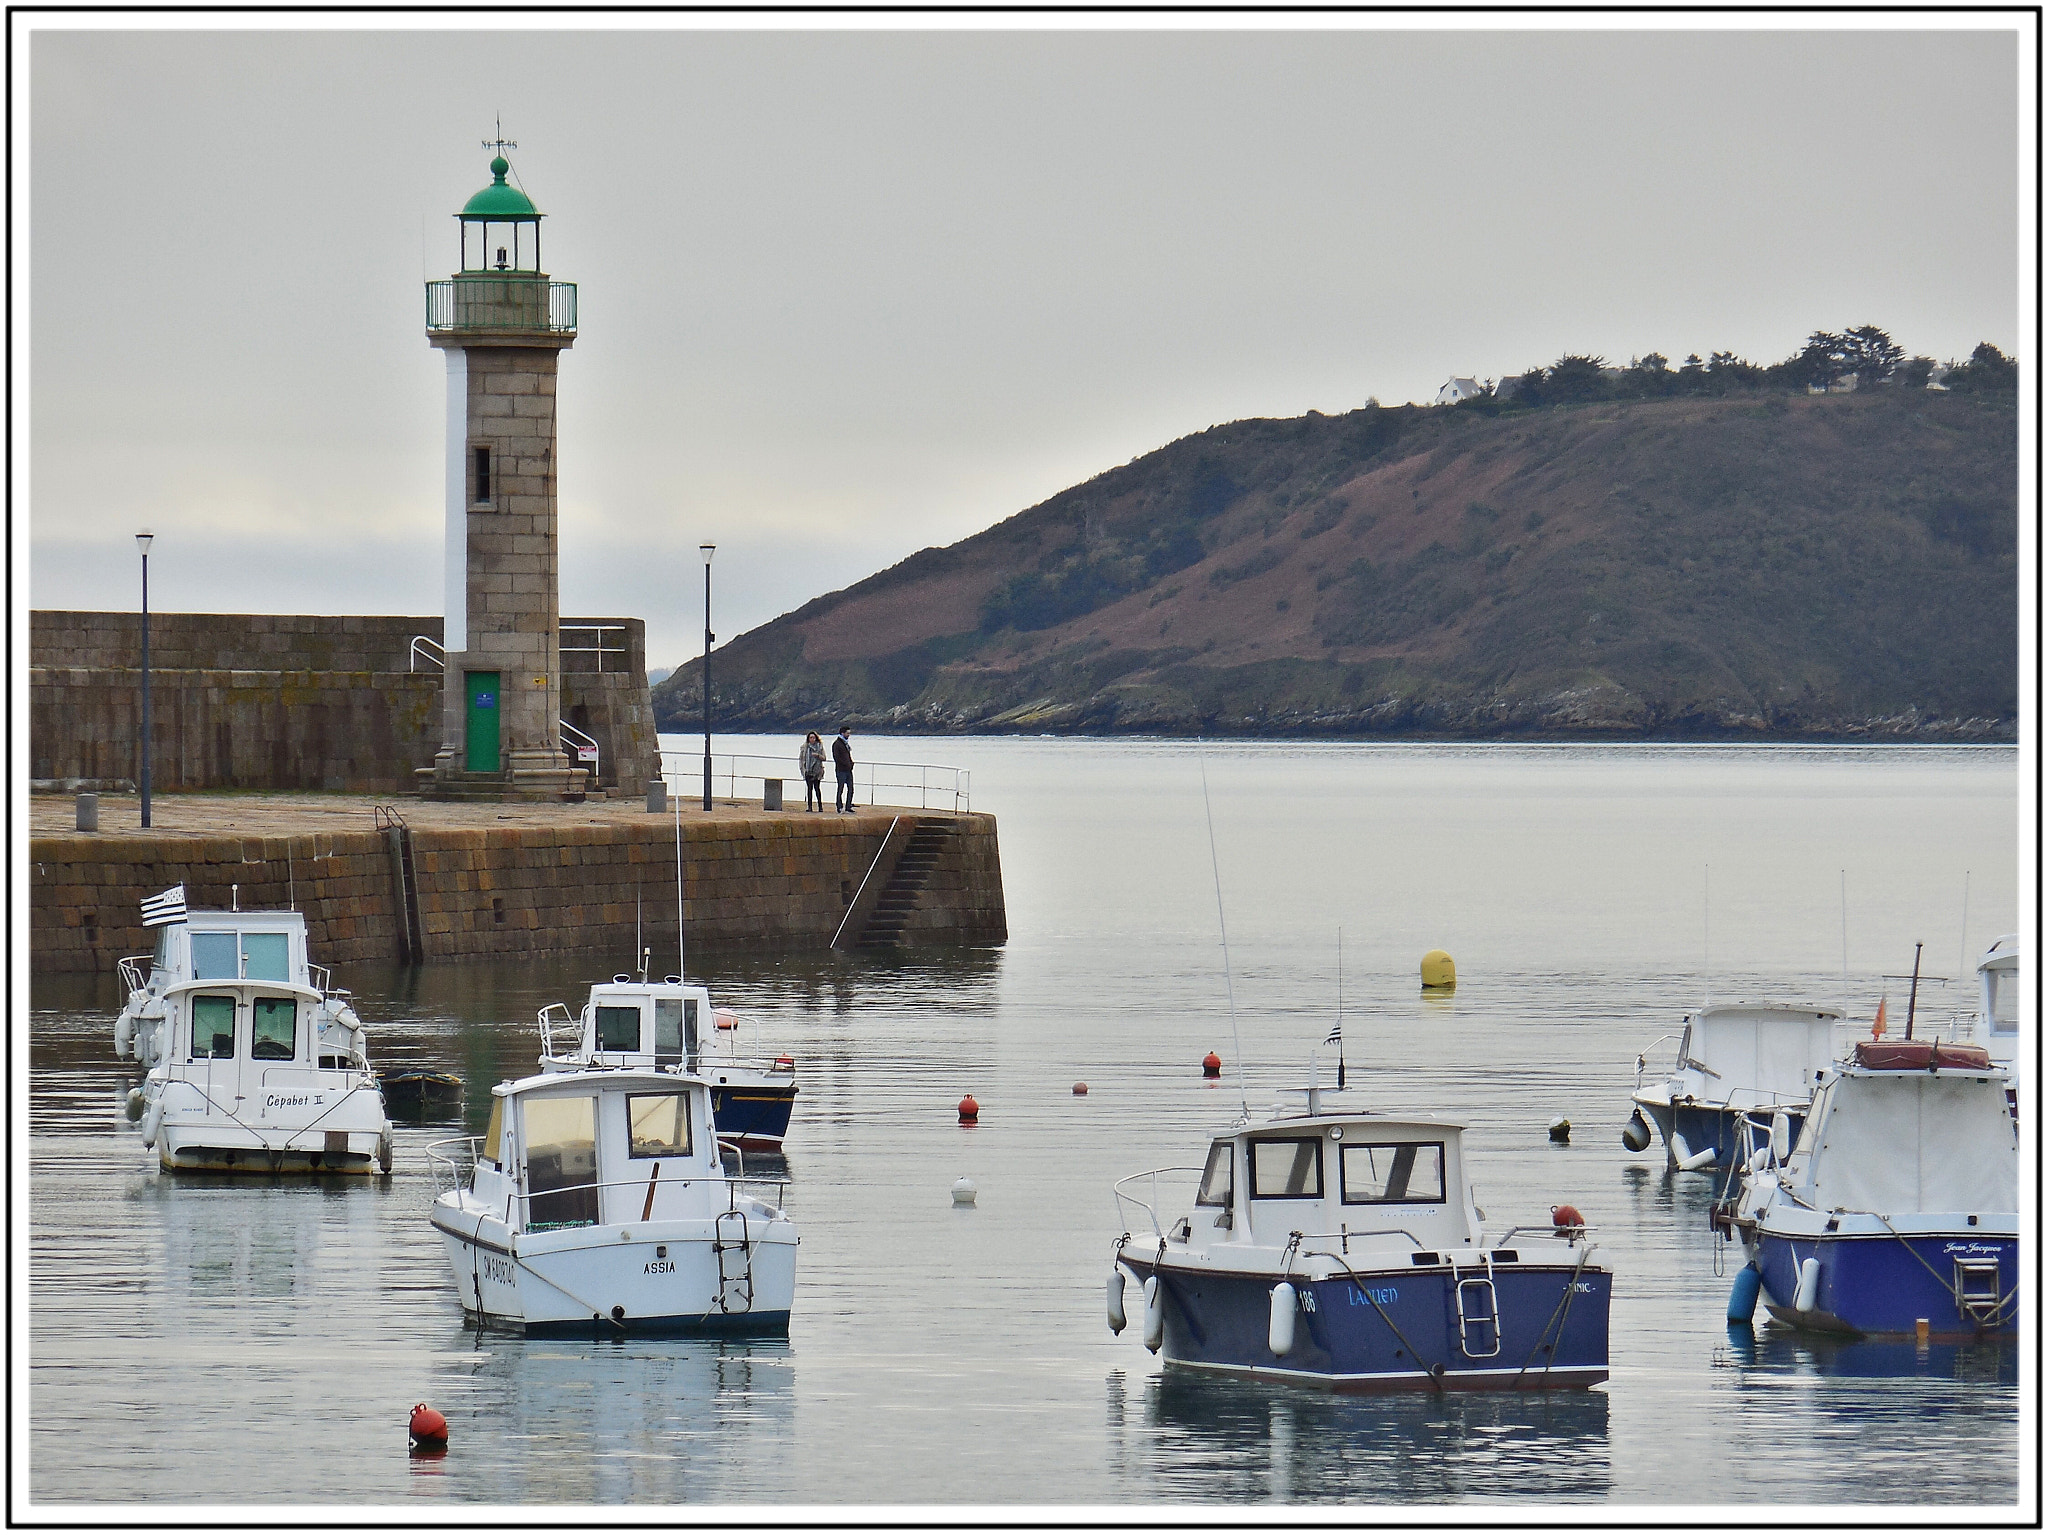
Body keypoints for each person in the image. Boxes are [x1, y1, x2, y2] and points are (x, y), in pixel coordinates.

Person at [799, 731, 826, 812]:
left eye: (813, 737)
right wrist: (803, 769)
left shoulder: (820, 747)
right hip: (808, 770)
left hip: (817, 771)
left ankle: (820, 807)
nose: (812, 739)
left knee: (817, 789)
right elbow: (801, 759)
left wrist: (818, 755)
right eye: (810, 737)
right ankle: (809, 807)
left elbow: (824, 758)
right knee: (809, 789)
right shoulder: (804, 747)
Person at [832, 726, 855, 813]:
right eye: (847, 733)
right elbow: (837, 758)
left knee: (851, 788)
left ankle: (848, 806)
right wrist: (846, 764)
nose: (849, 735)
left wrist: (851, 763)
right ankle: (839, 806)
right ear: (842, 733)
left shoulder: (845, 743)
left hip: (848, 770)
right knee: (840, 788)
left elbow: (847, 755)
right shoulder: (837, 744)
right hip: (841, 770)